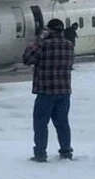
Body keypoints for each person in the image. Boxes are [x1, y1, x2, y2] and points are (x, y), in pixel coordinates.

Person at [22, 18, 75, 162]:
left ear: (50, 31)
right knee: (62, 123)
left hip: (46, 91)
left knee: (40, 124)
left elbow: (27, 59)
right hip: (64, 91)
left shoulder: (43, 45)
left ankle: (40, 153)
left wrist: (38, 40)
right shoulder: (69, 45)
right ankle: (66, 151)